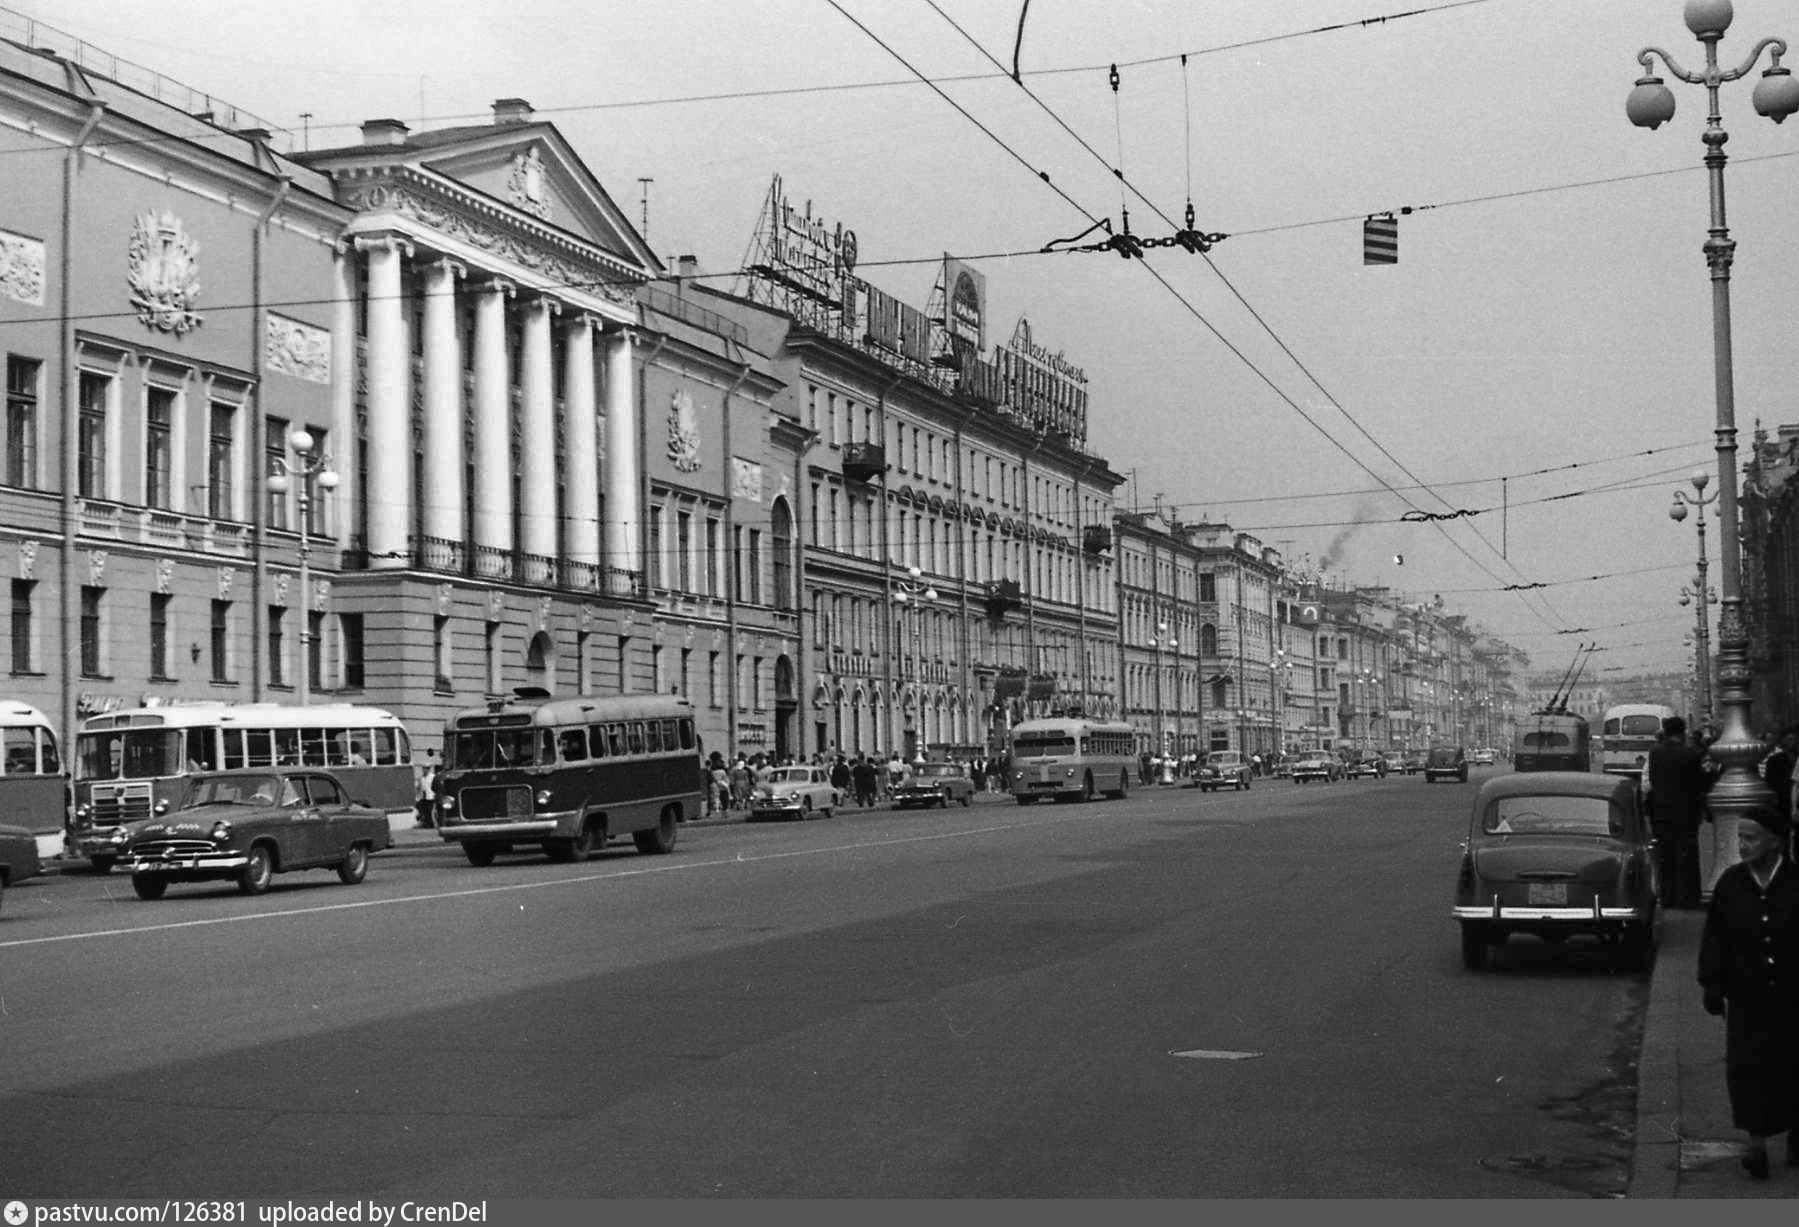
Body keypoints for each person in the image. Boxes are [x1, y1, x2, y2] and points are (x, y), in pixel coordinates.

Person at [1697, 806, 1799, 1179]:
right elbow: (1715, 938)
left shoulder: (1794, 882)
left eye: (1750, 838)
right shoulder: (1731, 884)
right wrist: (1712, 984)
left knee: (1792, 1065)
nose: (1742, 845)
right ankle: (1756, 1146)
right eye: (1739, 837)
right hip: (1747, 996)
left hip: (1792, 995)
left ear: (1775, 842)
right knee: (1748, 1068)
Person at [1646, 715, 1713, 910]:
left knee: (1665, 856)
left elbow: (1653, 779)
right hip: (1686, 812)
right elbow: (1700, 782)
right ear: (1682, 732)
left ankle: (1667, 897)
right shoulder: (1690, 754)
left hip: (1661, 812)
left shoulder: (1655, 753)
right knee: (1687, 856)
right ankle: (1687, 898)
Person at [415, 749, 438, 829]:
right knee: (424, 811)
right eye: (424, 768)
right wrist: (418, 797)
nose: (424, 770)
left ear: (429, 769)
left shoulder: (432, 777)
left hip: (430, 797)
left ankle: (431, 824)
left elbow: (435, 787)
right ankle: (426, 824)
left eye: (426, 768)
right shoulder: (422, 778)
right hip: (423, 797)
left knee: (430, 812)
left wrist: (435, 795)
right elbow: (419, 788)